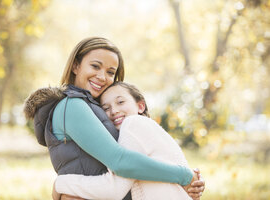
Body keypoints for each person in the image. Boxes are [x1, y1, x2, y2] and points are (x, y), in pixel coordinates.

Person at [23, 37, 204, 200]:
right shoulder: (73, 106)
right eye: (95, 66)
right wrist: (184, 176)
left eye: (110, 72)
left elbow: (139, 158)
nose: (102, 77)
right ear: (76, 66)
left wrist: (186, 184)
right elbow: (120, 162)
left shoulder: (94, 108)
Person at [53, 82, 204, 200]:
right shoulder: (146, 129)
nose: (114, 111)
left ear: (140, 105)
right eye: (106, 108)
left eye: (120, 102)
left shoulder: (133, 124)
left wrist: (61, 184)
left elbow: (115, 188)